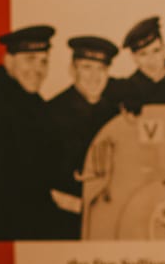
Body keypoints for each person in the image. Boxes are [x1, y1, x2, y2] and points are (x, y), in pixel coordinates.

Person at [0, 21, 57, 242]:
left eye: (43, 62)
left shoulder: (31, 103)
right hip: (7, 232)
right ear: (9, 61)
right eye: (29, 60)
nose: (38, 70)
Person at [44, 34, 122, 225]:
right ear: (72, 69)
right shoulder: (50, 113)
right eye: (87, 67)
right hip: (63, 219)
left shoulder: (115, 114)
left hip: (107, 217)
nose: (95, 77)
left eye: (101, 69)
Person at [115, 13, 165, 113]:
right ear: (134, 57)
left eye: (156, 51)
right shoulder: (125, 91)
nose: (151, 59)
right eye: (143, 54)